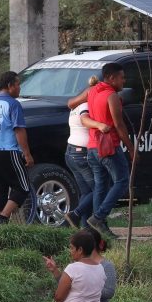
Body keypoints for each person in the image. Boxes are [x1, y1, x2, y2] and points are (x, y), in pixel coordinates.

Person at [86, 63, 135, 241]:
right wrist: (131, 148)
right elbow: (119, 125)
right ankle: (98, 218)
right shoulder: (111, 95)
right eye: (121, 77)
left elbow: (73, 104)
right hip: (108, 146)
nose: (124, 80)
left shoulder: (92, 91)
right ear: (111, 78)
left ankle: (98, 229)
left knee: (101, 186)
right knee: (122, 181)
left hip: (92, 146)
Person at [0, 71, 34, 225]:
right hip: (8, 151)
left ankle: (0, 229)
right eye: (18, 84)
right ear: (10, 86)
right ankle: (2, 219)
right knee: (23, 187)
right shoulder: (13, 104)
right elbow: (19, 130)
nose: (19, 88)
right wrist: (27, 154)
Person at [63, 77, 109, 229]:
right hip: (81, 153)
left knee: (86, 191)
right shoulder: (86, 105)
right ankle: (76, 214)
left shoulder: (75, 104)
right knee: (99, 189)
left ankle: (85, 227)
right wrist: (100, 124)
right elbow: (84, 120)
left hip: (71, 151)